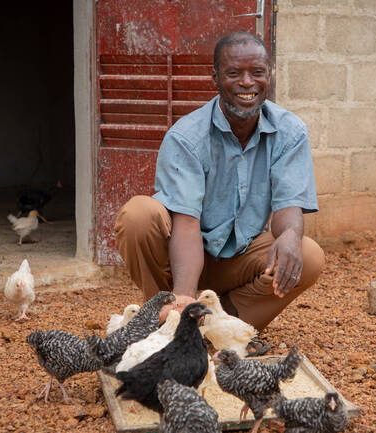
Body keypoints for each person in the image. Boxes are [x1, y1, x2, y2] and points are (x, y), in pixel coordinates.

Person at [114, 32, 325, 352]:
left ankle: (223, 326)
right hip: (182, 258)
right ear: (215, 78)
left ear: (269, 73)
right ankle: (168, 318)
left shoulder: (289, 131)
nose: (247, 82)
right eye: (233, 73)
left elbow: (289, 205)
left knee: (307, 255)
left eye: (257, 72)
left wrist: (291, 234)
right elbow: (185, 222)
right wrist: (186, 294)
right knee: (139, 215)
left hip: (239, 259)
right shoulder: (187, 136)